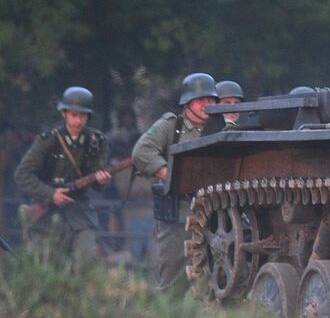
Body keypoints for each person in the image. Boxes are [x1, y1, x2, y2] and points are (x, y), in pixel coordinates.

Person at [133, 73, 217, 290]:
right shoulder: (173, 125)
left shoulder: (220, 129)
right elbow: (142, 151)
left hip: (213, 213)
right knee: (172, 278)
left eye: (210, 100)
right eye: (200, 100)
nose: (206, 105)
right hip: (178, 213)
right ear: (187, 102)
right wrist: (167, 172)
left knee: (213, 276)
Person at [13, 86, 111, 262]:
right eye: (74, 115)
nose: (78, 121)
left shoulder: (96, 141)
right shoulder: (48, 141)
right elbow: (22, 174)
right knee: (46, 268)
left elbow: (97, 186)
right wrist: (51, 194)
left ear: (88, 116)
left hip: (79, 213)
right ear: (64, 114)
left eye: (82, 116)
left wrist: (101, 180)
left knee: (86, 264)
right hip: (47, 215)